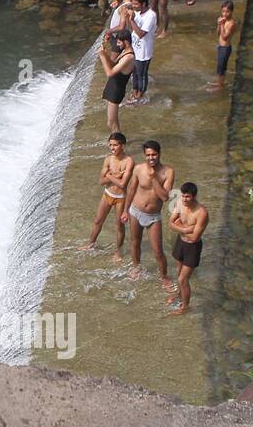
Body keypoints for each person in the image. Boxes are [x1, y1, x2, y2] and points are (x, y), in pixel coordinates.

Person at [122, 139, 174, 282]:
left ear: (160, 154)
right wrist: (125, 210)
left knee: (158, 252)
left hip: (153, 217)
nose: (151, 158)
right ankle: (136, 268)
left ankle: (164, 277)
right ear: (145, 155)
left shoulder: (167, 172)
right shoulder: (138, 169)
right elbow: (131, 189)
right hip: (135, 211)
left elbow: (164, 197)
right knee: (135, 243)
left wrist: (153, 177)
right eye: (148, 155)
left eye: (154, 154)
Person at [80, 132, 136, 261]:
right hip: (107, 194)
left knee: (119, 226)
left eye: (115, 145)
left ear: (122, 145)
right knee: (98, 221)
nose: (112, 148)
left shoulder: (129, 162)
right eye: (110, 145)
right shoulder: (108, 159)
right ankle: (90, 244)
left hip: (121, 198)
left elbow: (123, 184)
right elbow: (101, 181)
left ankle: (118, 252)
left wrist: (110, 175)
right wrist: (115, 176)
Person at [167, 182, 209, 315]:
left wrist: (180, 228)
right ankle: (180, 295)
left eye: (188, 197)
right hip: (181, 242)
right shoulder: (180, 203)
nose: (184, 199)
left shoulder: (202, 213)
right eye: (183, 196)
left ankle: (185, 307)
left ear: (194, 196)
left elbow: (195, 237)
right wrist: (187, 229)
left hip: (193, 247)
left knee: (183, 279)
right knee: (179, 272)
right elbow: (170, 224)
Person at [99, 29, 134, 134]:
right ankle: (116, 140)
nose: (118, 45)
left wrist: (102, 57)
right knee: (112, 122)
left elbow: (109, 73)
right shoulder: (124, 51)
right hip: (113, 87)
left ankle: (118, 141)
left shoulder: (129, 57)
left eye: (119, 42)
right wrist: (105, 54)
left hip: (116, 91)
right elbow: (114, 64)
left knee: (112, 123)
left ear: (126, 42)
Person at [126, 0, 157, 105]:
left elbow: (141, 34)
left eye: (136, 4)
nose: (134, 6)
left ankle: (140, 95)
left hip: (144, 51)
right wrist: (130, 18)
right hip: (135, 48)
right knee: (134, 73)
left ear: (143, 4)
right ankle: (135, 91)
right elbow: (132, 28)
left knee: (142, 74)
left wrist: (132, 20)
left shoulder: (151, 16)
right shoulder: (137, 13)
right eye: (133, 4)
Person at [208, 1, 237, 92]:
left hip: (225, 48)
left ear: (232, 12)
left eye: (227, 11)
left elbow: (224, 37)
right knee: (220, 66)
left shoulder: (231, 23)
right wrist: (218, 24)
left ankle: (220, 87)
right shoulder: (223, 20)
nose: (224, 14)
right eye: (223, 11)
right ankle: (220, 82)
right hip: (220, 47)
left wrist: (221, 24)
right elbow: (218, 33)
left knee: (221, 68)